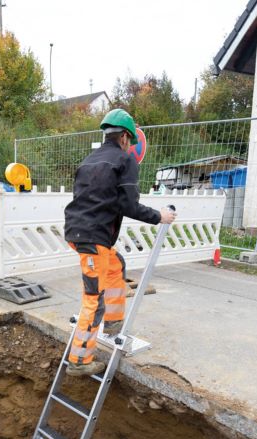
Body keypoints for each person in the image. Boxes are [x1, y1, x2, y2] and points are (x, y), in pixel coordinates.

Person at [62, 109, 177, 377]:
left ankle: (113, 324)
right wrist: (159, 216)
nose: (131, 146)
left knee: (116, 266)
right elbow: (128, 205)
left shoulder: (90, 159)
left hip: (79, 231)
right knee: (94, 299)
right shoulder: (125, 161)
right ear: (125, 137)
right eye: (131, 140)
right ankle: (79, 361)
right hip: (93, 239)